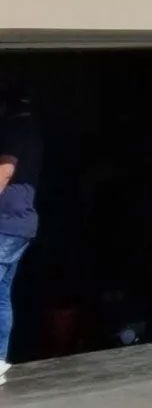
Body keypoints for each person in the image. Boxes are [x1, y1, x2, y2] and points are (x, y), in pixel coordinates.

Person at [0, 88, 43, 381]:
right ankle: (0, 358)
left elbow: (4, 173)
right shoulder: (31, 132)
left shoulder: (15, 131)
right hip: (19, 225)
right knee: (2, 296)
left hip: (6, 225)